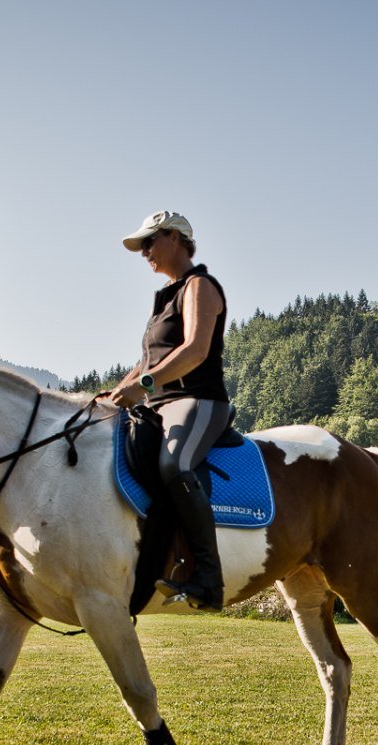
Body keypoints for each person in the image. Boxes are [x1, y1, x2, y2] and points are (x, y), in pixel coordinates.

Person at [107, 210, 231, 610]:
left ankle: (209, 580)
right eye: (141, 245)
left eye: (149, 242)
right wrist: (114, 393)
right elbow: (147, 361)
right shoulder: (164, 300)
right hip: (159, 405)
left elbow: (194, 351)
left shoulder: (200, 286)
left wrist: (143, 386)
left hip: (198, 401)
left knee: (174, 466)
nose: (144, 252)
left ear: (174, 238)